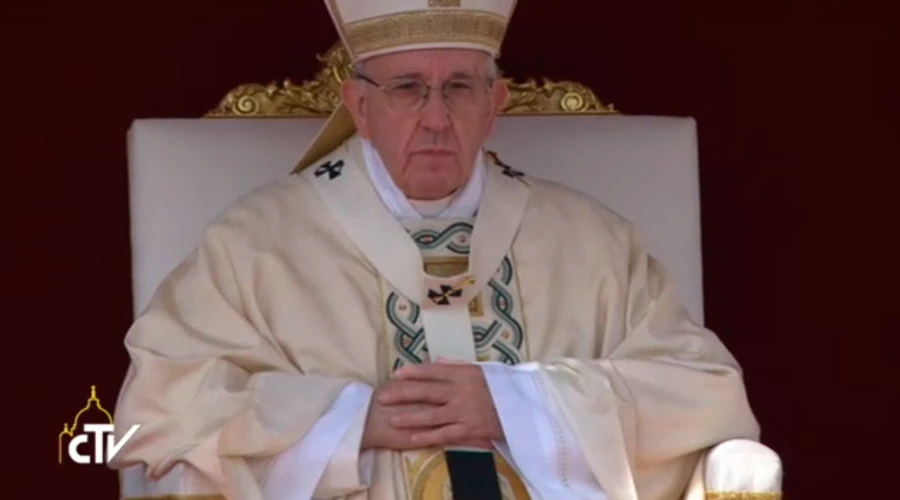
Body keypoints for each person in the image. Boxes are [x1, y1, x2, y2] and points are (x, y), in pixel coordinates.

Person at [109, 1, 761, 499]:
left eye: (458, 88)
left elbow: (704, 393)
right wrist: (352, 420)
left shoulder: (592, 241)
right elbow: (158, 412)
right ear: (359, 106)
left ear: (494, 104)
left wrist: (515, 403)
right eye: (407, 88)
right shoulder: (255, 245)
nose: (435, 117)